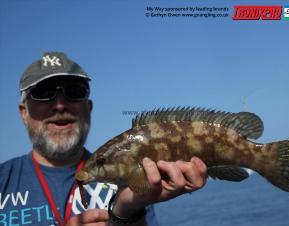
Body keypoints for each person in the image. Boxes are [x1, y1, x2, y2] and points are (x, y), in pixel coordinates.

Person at [0, 52, 207, 226]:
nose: (60, 105)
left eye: (74, 92)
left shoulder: (131, 179)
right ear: (23, 113)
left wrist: (127, 216)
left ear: (88, 108)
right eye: (43, 93)